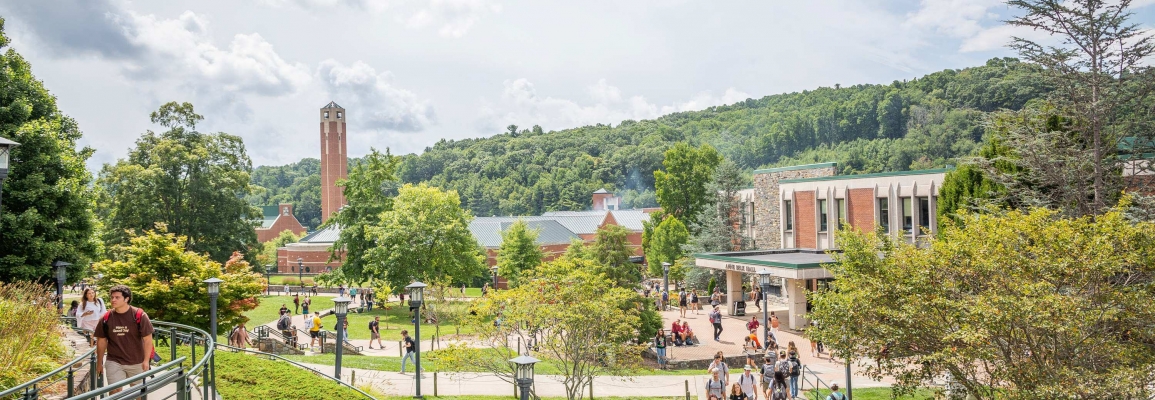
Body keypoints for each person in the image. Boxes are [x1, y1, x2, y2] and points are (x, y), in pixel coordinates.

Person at [94, 285, 155, 393]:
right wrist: (99, 363)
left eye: (117, 297)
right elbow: (101, 341)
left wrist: (146, 361)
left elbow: (148, 340)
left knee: (139, 393)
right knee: (114, 391)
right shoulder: (106, 318)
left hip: (137, 361)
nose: (113, 300)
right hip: (114, 361)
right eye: (112, 297)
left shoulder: (139, 315)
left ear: (126, 299)